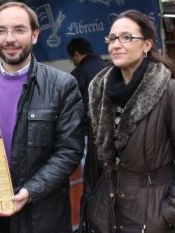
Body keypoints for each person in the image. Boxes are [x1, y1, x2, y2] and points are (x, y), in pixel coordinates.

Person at [0, 2, 84, 233]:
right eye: (1, 30)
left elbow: (69, 151)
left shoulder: (62, 86)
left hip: (42, 217)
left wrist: (30, 191)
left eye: (19, 30)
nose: (9, 38)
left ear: (34, 34)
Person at [83, 10, 175, 233]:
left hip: (153, 216)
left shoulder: (171, 92)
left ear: (147, 45)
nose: (116, 45)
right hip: (107, 214)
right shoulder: (99, 93)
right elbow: (94, 163)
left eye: (126, 37)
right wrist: (91, 208)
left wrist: (173, 214)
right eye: (112, 38)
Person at [66, 38, 107, 220]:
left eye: (72, 58)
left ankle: (94, 214)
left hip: (87, 131)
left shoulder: (79, 73)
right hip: (112, 130)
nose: (73, 61)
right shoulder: (110, 67)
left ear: (77, 54)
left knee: (89, 176)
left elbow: (74, 107)